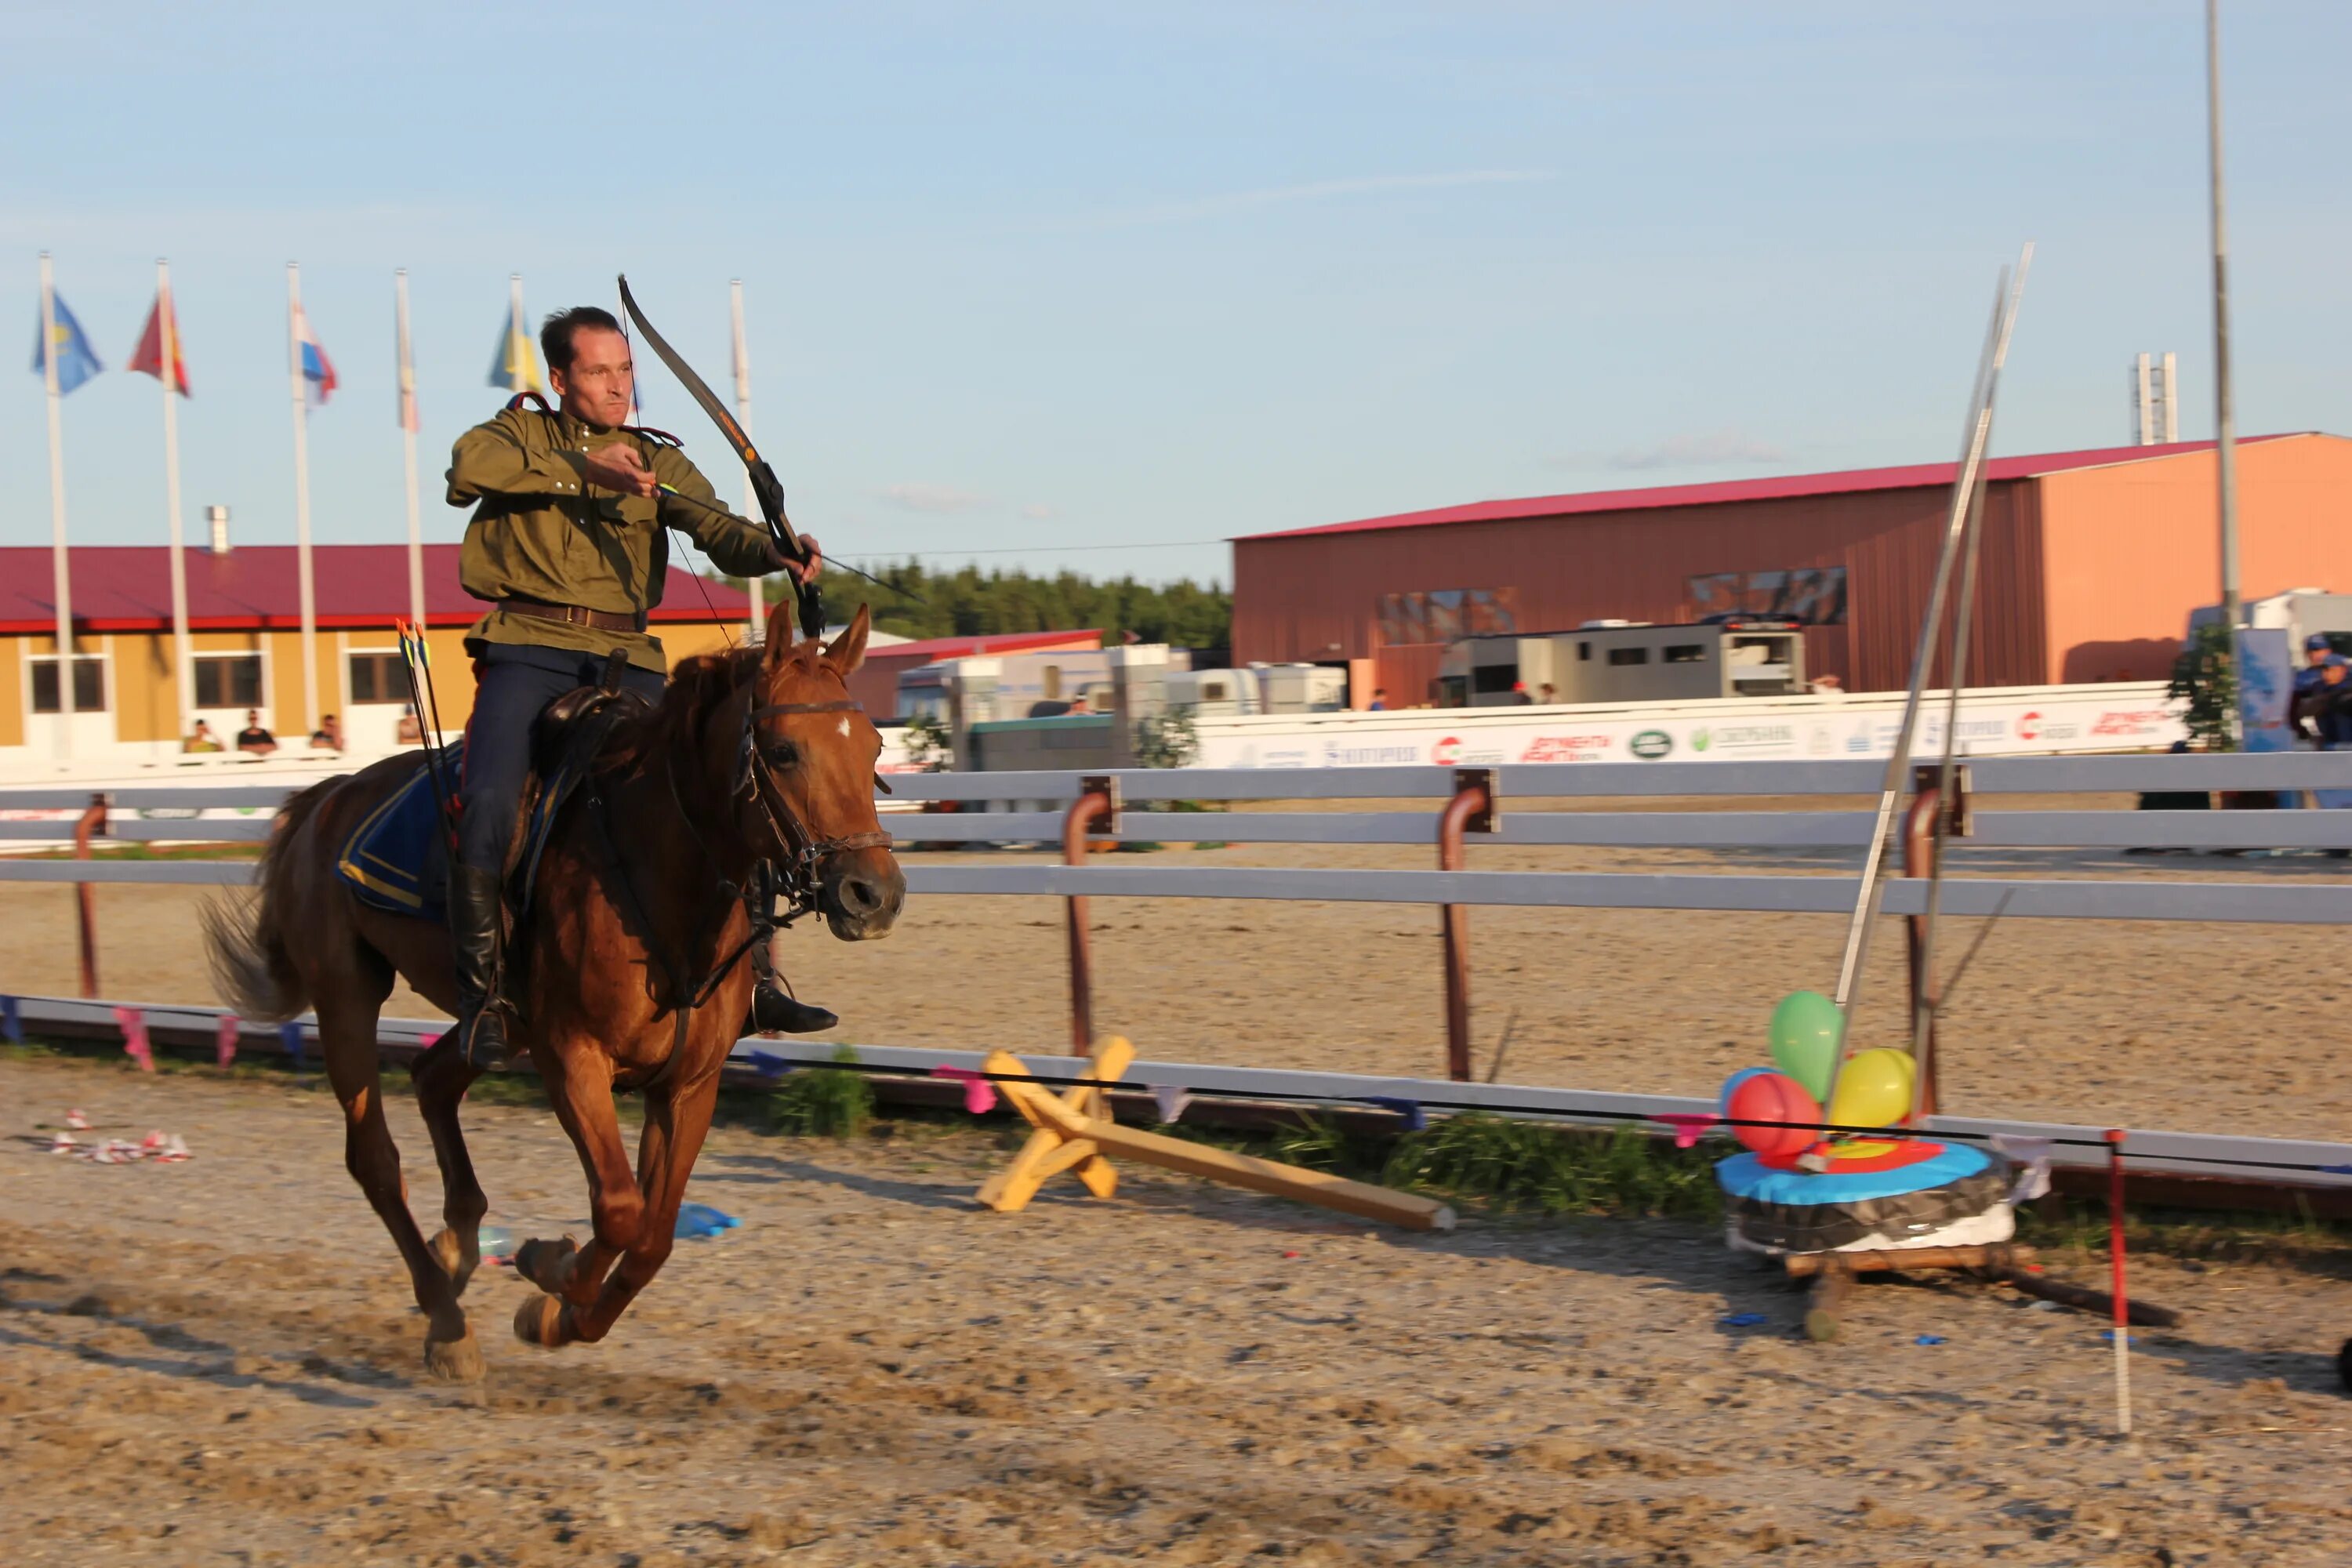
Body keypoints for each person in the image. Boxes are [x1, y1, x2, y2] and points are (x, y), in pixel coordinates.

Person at [441, 304, 826, 1068]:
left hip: (626, 656)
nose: (619, 386)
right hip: (528, 648)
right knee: (487, 798)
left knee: (722, 787)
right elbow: (465, 472)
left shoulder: (655, 460)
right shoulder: (516, 436)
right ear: (559, 378)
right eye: (598, 371)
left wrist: (780, 549)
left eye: (624, 370)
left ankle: (758, 978)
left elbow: (716, 529)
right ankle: (483, 995)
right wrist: (583, 469)